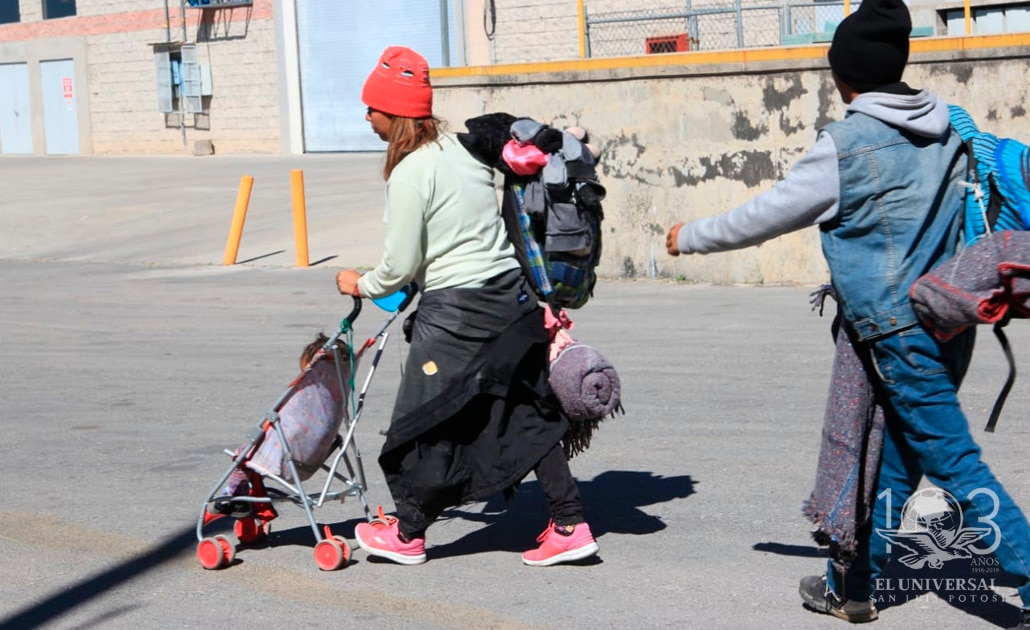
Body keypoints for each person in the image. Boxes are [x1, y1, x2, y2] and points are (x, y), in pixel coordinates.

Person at [665, 0, 1030, 626]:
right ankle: (850, 584)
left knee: (952, 462)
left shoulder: (847, 144)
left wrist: (688, 236)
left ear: (842, 76)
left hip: (896, 332)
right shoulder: (949, 128)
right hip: (948, 318)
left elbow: (766, 214)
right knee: (897, 462)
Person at [334, 46, 598, 567]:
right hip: (513, 299)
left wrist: (359, 283)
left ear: (394, 113)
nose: (366, 117)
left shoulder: (409, 173)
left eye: (371, 108)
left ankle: (408, 532)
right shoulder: (464, 150)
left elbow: (399, 266)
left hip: (457, 312)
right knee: (525, 410)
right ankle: (570, 524)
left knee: (424, 418)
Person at [210, 332, 348, 517]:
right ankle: (247, 497)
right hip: (314, 458)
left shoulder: (303, 401)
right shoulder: (335, 399)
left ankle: (235, 496)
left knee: (244, 453)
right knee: (258, 452)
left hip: (287, 460)